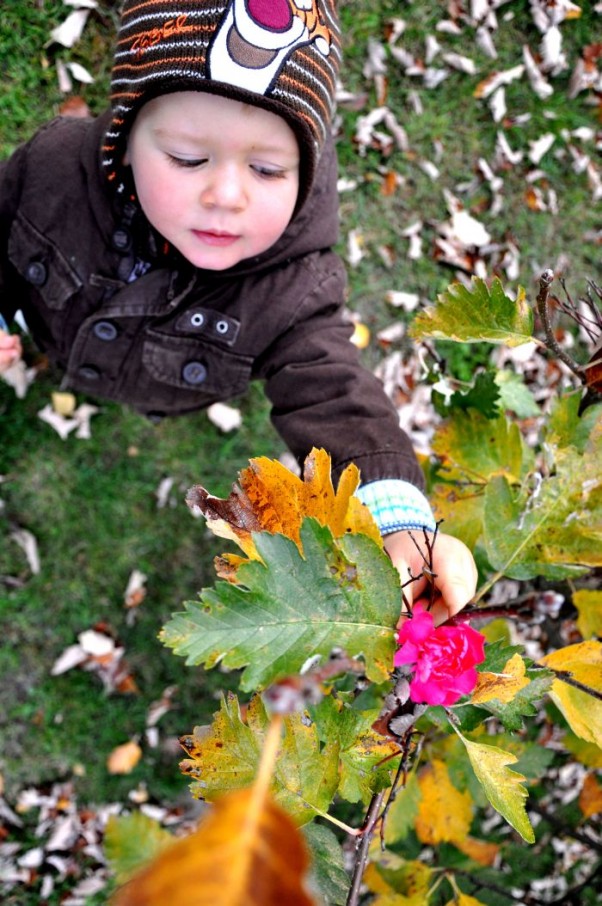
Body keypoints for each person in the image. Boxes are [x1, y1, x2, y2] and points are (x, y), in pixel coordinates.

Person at [0, 0, 477, 623]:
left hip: (160, 387)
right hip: (52, 327)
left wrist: (394, 520)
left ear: (305, 171)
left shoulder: (293, 285)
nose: (225, 195)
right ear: (124, 133)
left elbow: (333, 391)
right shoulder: (54, 170)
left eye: (267, 169)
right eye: (187, 158)